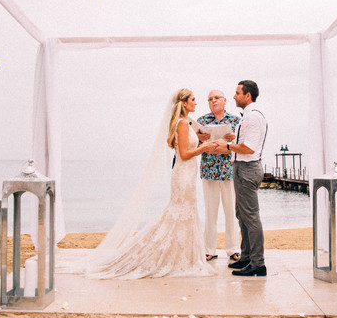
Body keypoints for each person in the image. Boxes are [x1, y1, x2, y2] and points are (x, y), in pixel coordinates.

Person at [87, 89, 217, 279]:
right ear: (184, 103)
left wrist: (202, 143)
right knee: (178, 213)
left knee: (186, 214)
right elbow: (183, 154)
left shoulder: (187, 124)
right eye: (193, 100)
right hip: (183, 175)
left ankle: (185, 256)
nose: (196, 103)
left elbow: (188, 149)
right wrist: (203, 148)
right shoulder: (181, 123)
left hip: (188, 174)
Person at [212, 80, 268, 277]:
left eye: (237, 93)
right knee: (241, 215)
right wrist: (231, 140)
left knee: (251, 217)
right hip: (241, 168)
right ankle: (246, 256)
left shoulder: (253, 117)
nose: (234, 96)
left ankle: (258, 263)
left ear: (248, 95)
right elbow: (243, 144)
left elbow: (249, 148)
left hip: (247, 168)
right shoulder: (247, 118)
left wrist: (227, 147)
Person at [195, 89, 240, 262]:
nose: (213, 101)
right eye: (210, 99)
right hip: (209, 170)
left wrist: (233, 138)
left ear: (224, 100)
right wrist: (200, 137)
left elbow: (242, 144)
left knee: (231, 212)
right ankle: (209, 249)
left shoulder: (235, 120)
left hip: (230, 171)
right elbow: (195, 144)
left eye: (216, 98)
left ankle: (233, 249)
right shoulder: (202, 121)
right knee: (210, 212)